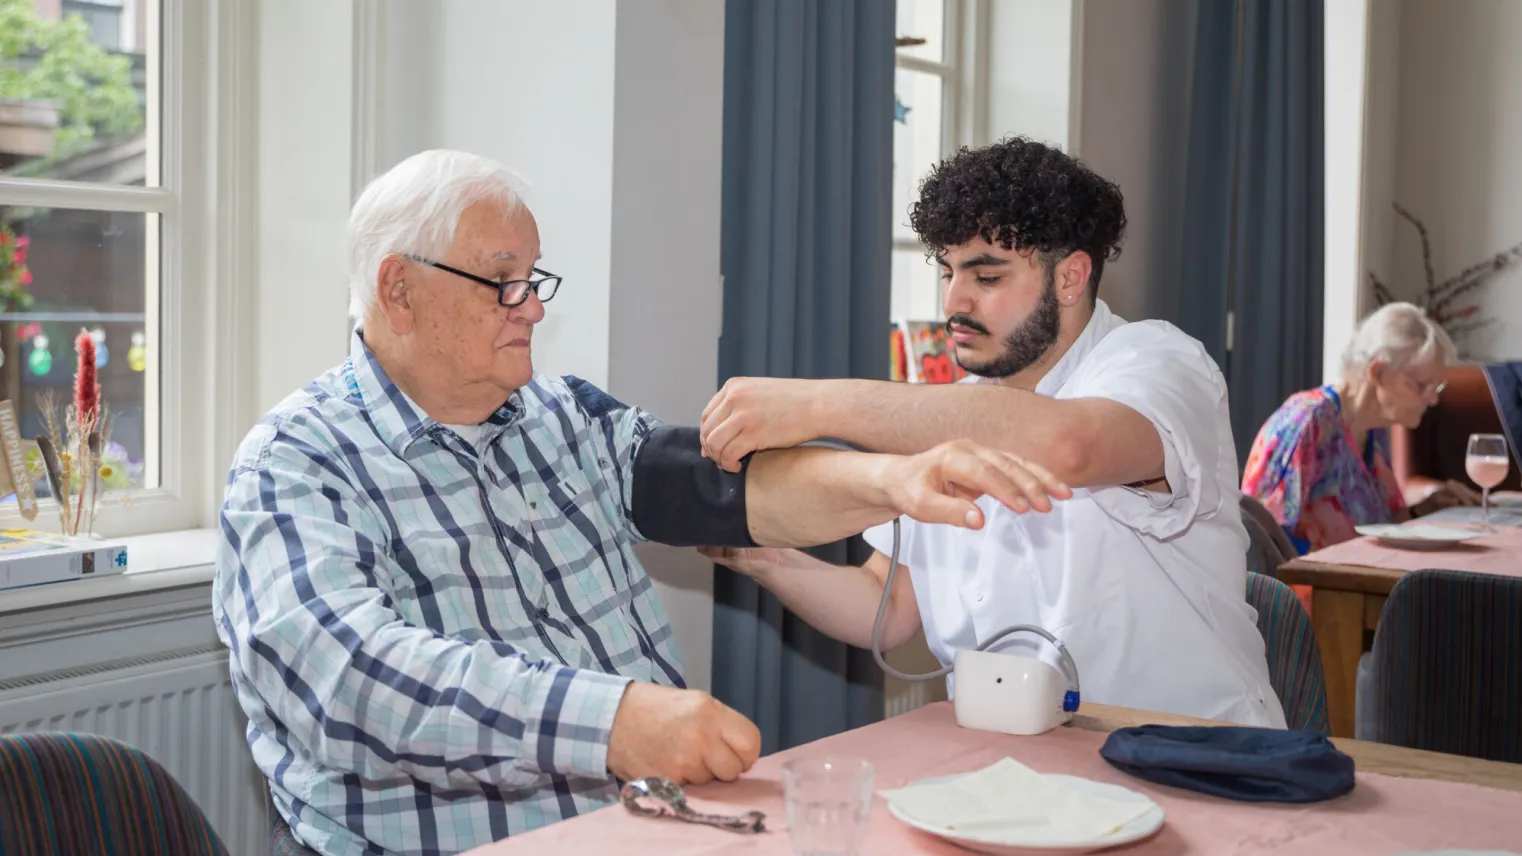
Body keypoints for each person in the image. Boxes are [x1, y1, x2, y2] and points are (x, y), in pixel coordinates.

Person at [212, 150, 1057, 856]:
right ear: (398, 290)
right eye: (503, 282)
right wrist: (611, 721)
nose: (534, 307)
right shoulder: (297, 463)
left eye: (533, 278)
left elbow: (722, 490)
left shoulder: (560, 415)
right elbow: (350, 683)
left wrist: (888, 480)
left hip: (652, 831)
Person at [697, 136, 1286, 729]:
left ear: (1070, 278)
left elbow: (1069, 446)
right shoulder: (954, 412)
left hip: (1193, 753)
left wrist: (820, 403)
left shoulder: (1158, 362)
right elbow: (889, 608)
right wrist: (766, 557)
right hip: (1015, 759)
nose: (954, 300)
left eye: (986, 277)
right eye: (948, 271)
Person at [1242, 301, 1475, 554]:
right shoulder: (1308, 421)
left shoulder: (1374, 431)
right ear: (1378, 373)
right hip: (1311, 590)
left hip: (1360, 583)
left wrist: (1424, 508)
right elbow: (1262, 543)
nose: (1433, 399)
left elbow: (1382, 527)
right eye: (1422, 386)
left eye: (1436, 387)